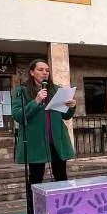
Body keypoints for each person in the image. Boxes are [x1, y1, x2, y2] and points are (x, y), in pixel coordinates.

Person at [12, 59, 77, 204]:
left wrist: (71, 106)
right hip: (35, 143)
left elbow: (66, 116)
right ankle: (35, 212)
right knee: (36, 178)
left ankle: (63, 208)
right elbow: (17, 115)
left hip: (56, 140)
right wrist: (36, 101)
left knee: (61, 175)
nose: (45, 73)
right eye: (41, 70)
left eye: (47, 70)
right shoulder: (21, 91)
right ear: (32, 72)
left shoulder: (56, 90)